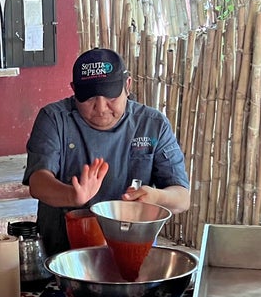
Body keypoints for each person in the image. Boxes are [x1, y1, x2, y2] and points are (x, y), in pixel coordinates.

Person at [23, 46, 191, 255]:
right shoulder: (54, 118)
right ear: (74, 90)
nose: (101, 108)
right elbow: (38, 182)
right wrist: (72, 196)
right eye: (90, 98)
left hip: (134, 249)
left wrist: (155, 197)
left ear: (127, 85)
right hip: (63, 254)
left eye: (110, 96)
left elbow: (182, 197)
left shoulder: (152, 124)